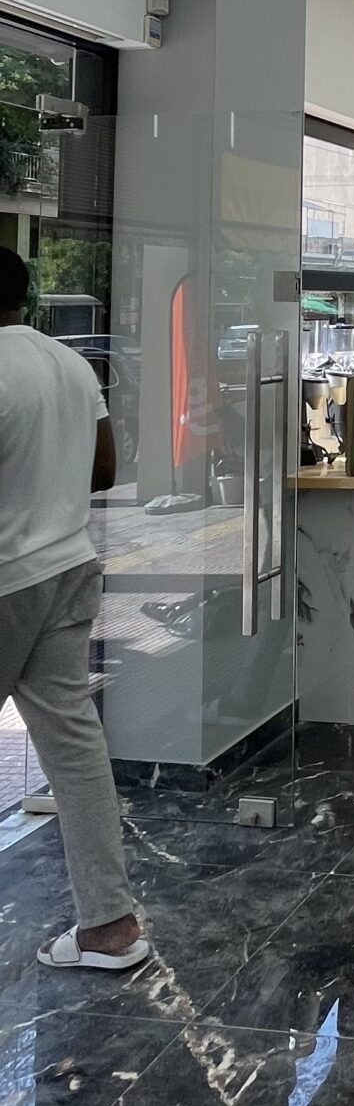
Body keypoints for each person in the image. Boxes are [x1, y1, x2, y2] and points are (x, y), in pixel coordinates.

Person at [0, 249, 148, 972]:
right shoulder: (69, 364)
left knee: (72, 747)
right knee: (75, 750)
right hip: (67, 566)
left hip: (6, 578)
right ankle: (110, 928)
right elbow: (105, 470)